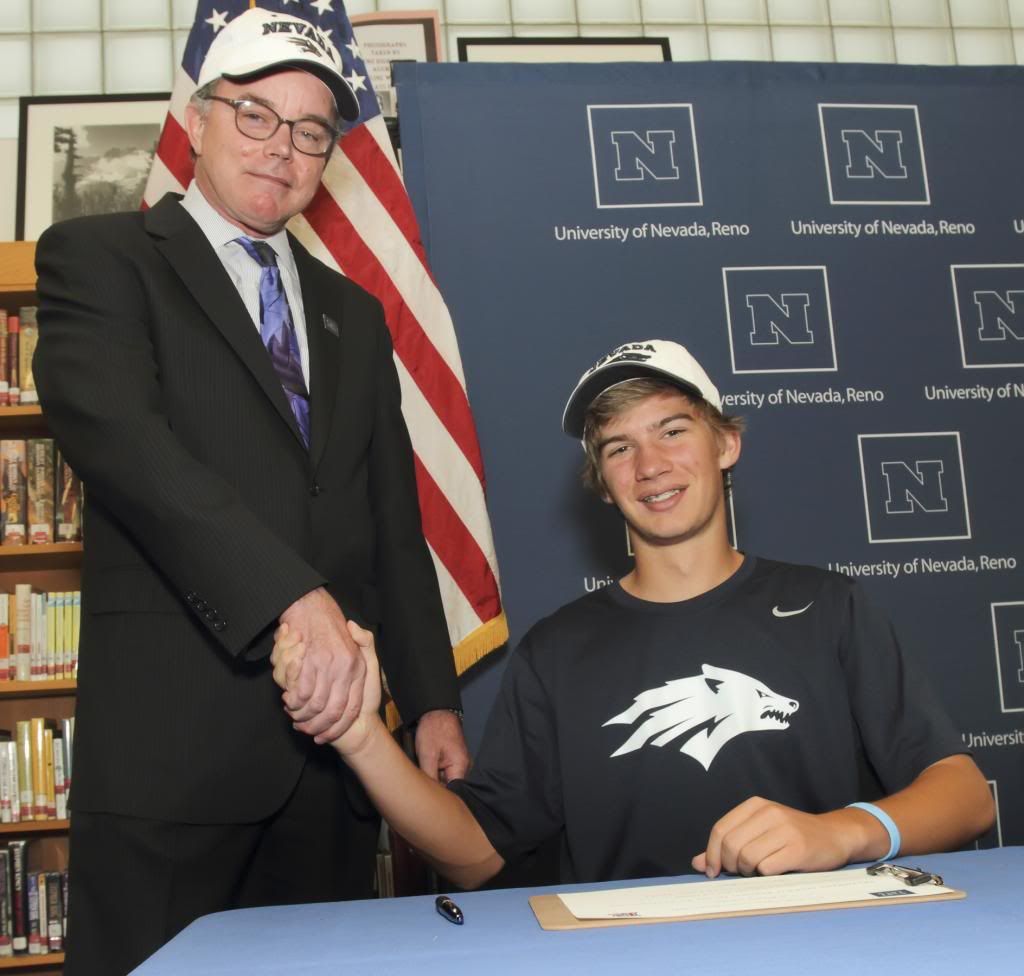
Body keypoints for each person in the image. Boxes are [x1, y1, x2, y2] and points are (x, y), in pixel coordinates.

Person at [33, 9, 467, 975]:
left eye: (312, 131)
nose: (285, 149)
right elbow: (129, 450)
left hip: (338, 762)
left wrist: (434, 700)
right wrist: (287, 594)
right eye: (258, 115)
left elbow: (393, 518)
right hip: (169, 758)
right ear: (202, 115)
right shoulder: (100, 258)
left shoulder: (355, 311)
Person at [273, 338, 994, 890]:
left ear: (727, 443)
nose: (649, 463)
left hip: (816, 940)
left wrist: (840, 833)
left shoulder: (830, 608)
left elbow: (963, 795)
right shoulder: (560, 649)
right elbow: (474, 853)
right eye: (620, 447)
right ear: (603, 483)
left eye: (673, 430)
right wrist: (358, 731)